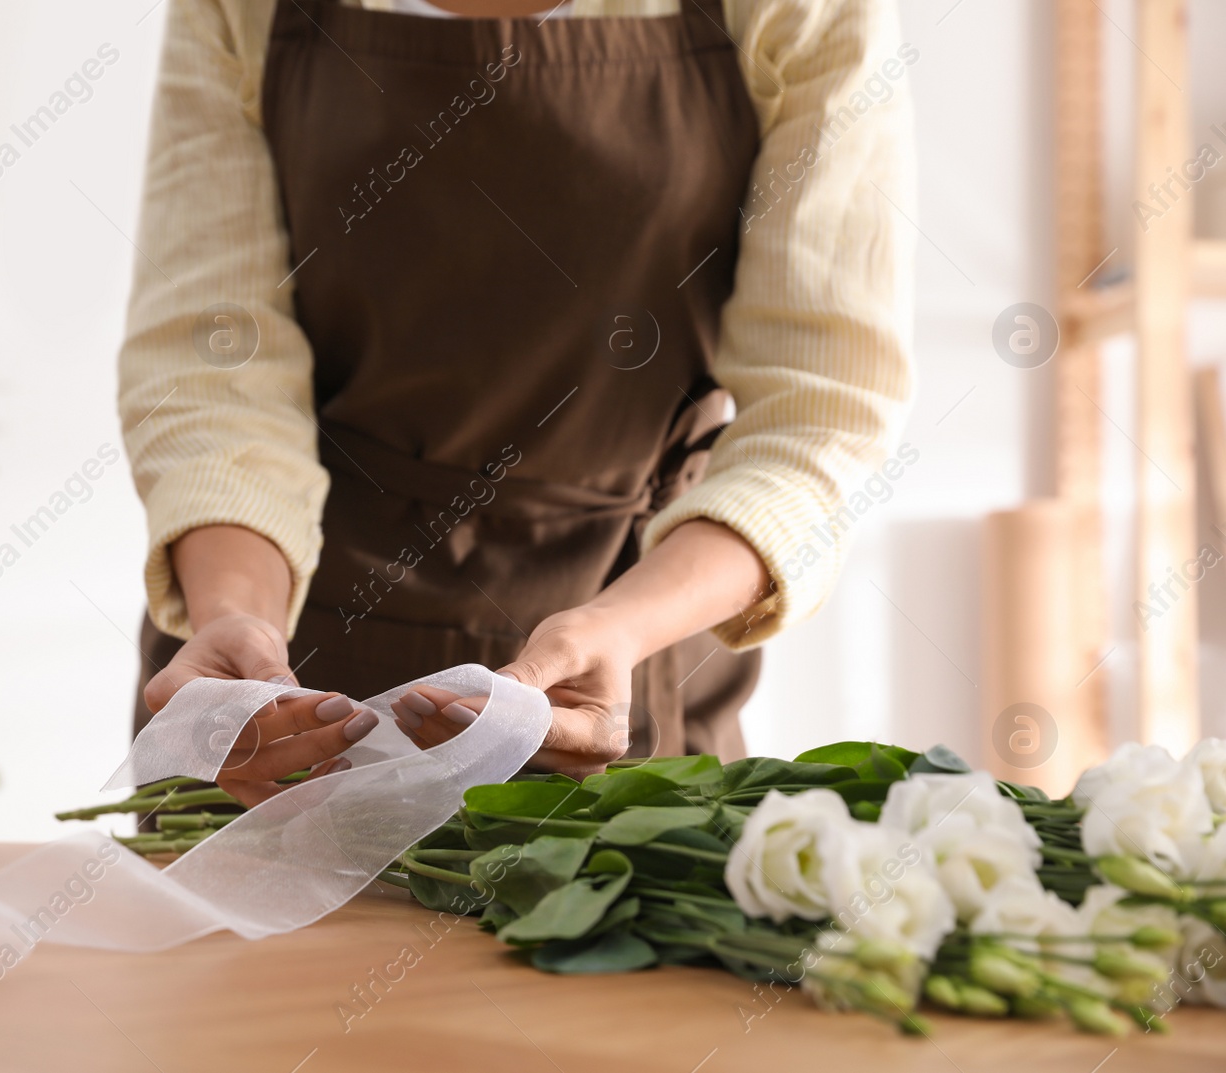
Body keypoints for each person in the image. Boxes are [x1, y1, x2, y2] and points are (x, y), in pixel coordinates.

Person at [118, 0, 914, 806]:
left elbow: (818, 416)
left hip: (622, 672)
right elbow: (211, 369)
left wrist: (619, 629)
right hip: (274, 711)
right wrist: (235, 619)